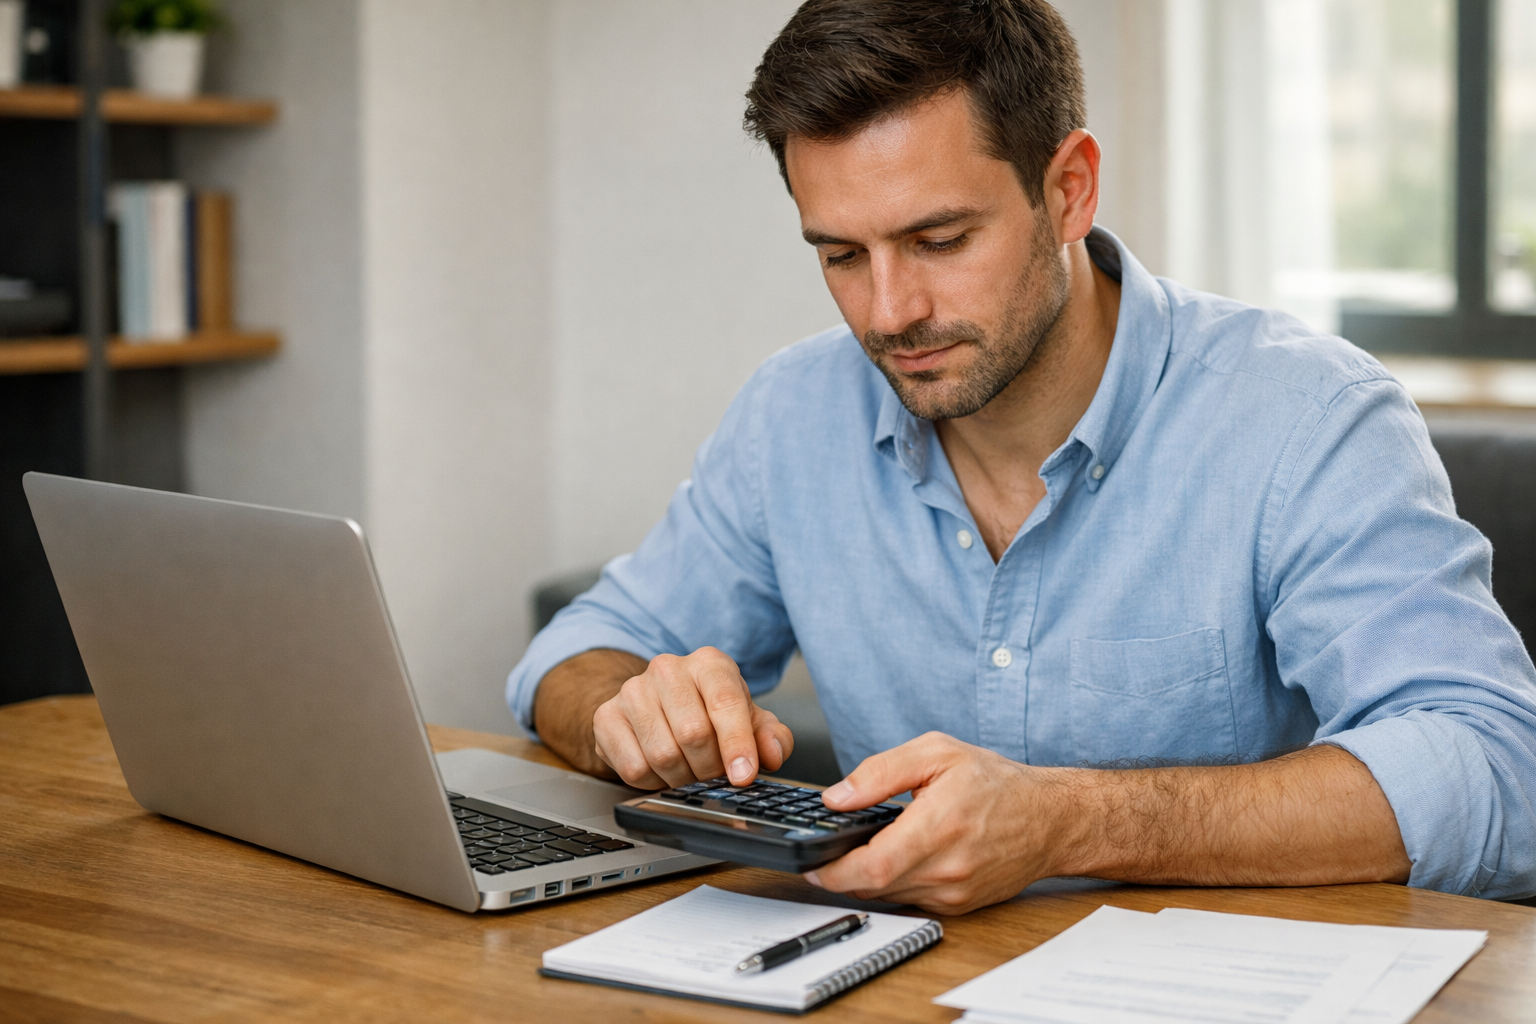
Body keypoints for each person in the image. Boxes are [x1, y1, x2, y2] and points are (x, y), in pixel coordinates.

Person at [507, 0, 1536, 913]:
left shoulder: (1307, 416)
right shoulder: (794, 414)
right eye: (842, 255)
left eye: (941, 240)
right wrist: (624, 713)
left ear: (1070, 190)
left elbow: (1499, 768)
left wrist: (1069, 821)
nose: (889, 312)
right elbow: (575, 653)